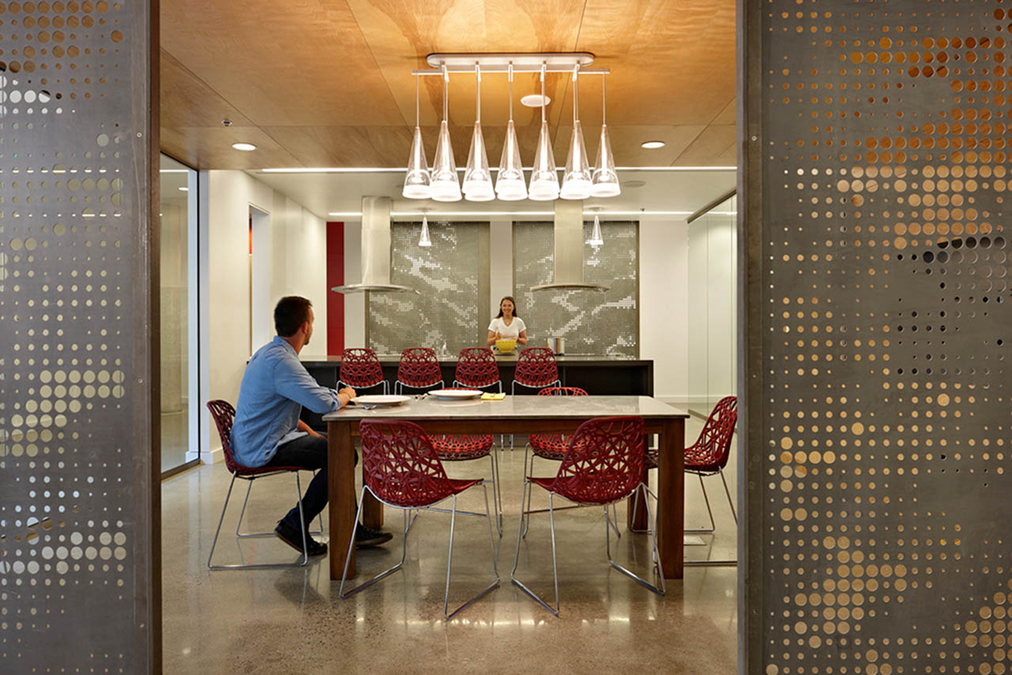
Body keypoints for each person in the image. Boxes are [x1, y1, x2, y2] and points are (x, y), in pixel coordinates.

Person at [231, 296, 392, 556]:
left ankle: (350, 528)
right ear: (305, 327)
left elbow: (272, 407)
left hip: (255, 440)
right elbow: (323, 404)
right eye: (313, 323)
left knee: (337, 449)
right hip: (261, 447)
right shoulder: (283, 362)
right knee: (342, 453)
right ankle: (297, 523)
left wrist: (302, 426)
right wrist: (348, 394)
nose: (312, 328)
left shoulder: (269, 353)